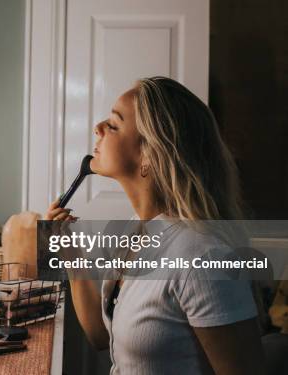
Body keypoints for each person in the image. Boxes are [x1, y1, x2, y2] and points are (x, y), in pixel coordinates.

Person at [45, 77, 265, 374]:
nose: (97, 128)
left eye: (113, 124)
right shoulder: (138, 231)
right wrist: (70, 254)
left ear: (149, 153)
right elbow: (100, 337)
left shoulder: (204, 259)